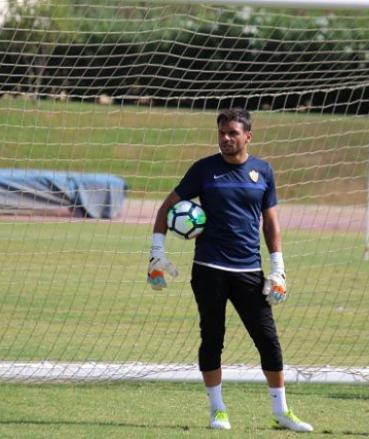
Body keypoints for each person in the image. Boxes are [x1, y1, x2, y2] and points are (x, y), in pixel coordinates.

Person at [147, 108, 313, 432]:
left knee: (268, 340)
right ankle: (217, 410)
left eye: (233, 133)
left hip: (249, 271)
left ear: (247, 136)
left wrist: (278, 269)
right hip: (208, 269)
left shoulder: (263, 172)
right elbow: (166, 207)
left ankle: (281, 412)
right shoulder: (204, 170)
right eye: (222, 132)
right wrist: (156, 255)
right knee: (212, 338)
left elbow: (271, 223)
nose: (226, 138)